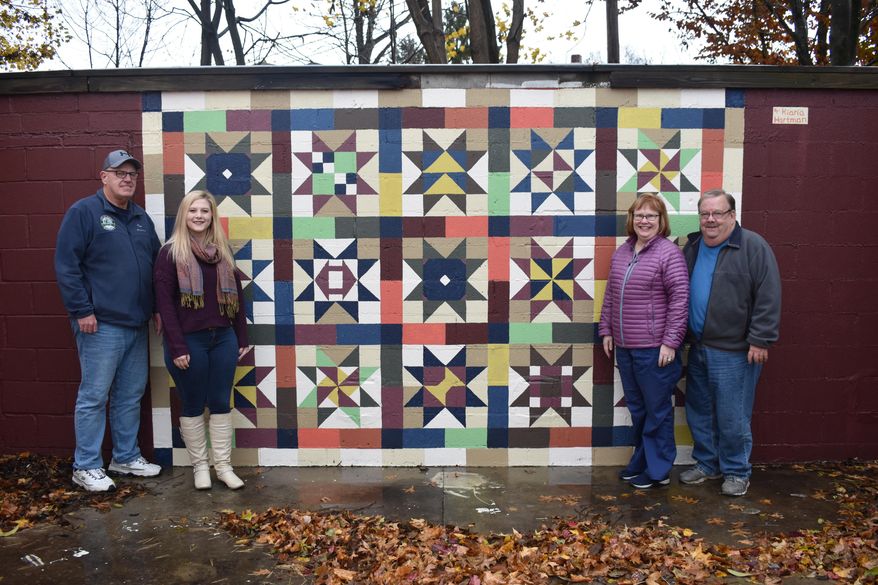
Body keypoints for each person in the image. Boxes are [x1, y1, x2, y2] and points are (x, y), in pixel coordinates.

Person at [55, 149, 163, 492]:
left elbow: (157, 270)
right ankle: (85, 465)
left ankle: (125, 457)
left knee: (130, 394)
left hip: (137, 323)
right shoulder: (84, 212)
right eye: (120, 173)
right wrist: (81, 310)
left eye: (132, 174)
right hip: (100, 324)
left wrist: (158, 308)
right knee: (94, 395)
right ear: (104, 177)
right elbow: (66, 266)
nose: (127, 179)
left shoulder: (141, 219)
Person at [680, 189, 781, 497]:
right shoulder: (693, 246)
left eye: (718, 213)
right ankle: (707, 465)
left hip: (735, 351)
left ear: (732, 216)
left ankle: (737, 471)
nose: (710, 220)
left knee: (732, 414)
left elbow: (768, 295)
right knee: (699, 410)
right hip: (698, 346)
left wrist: (760, 339)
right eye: (705, 214)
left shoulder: (752, 246)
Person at [154, 190, 249, 490]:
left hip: (223, 338)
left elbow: (238, 296)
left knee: (221, 401)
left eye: (204, 211)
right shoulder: (170, 254)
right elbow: (164, 305)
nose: (198, 215)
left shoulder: (221, 252)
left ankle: (223, 466)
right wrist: (177, 346)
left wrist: (241, 336)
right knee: (194, 402)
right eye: (193, 210)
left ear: (212, 216)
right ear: (184, 214)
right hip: (188, 341)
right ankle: (200, 467)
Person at [599, 193, 689, 489]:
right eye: (640, 215)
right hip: (625, 347)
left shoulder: (668, 253)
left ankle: (659, 469)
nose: (645, 220)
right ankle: (642, 461)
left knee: (657, 410)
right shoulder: (623, 251)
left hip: (654, 349)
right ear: (632, 218)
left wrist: (670, 342)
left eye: (651, 215)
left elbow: (680, 300)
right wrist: (607, 329)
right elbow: (612, 294)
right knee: (638, 409)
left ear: (661, 221)